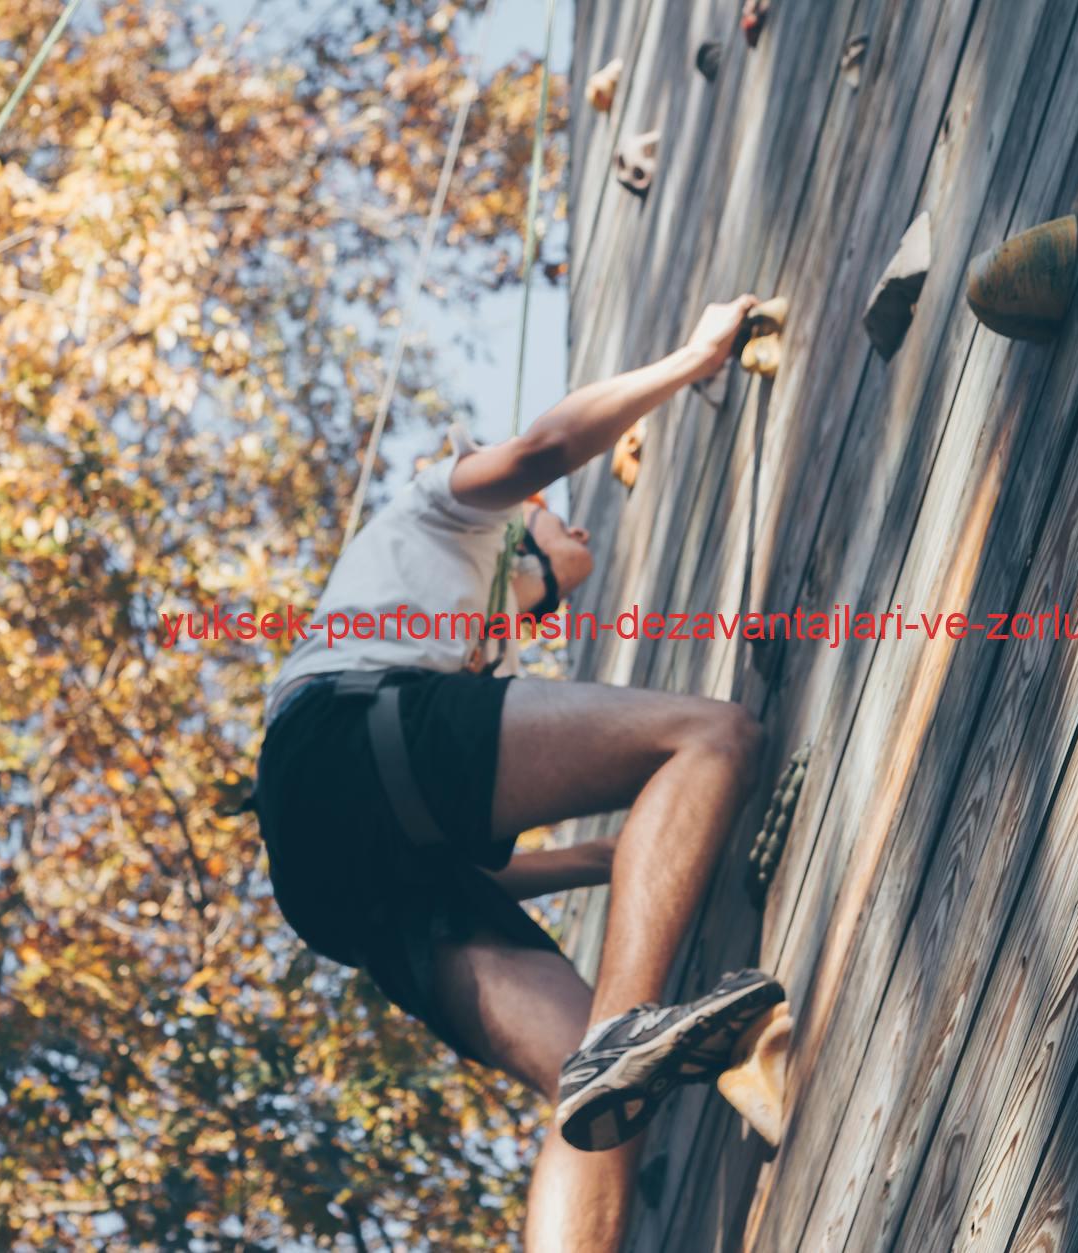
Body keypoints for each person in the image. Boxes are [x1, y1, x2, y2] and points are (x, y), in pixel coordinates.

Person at [253, 293, 787, 1251]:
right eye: (558, 520)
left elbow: (471, 868)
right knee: (714, 737)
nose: (582, 534)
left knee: (598, 1098)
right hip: (346, 737)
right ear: (519, 526)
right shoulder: (443, 510)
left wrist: (614, 858)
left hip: (352, 884)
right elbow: (547, 447)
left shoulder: (454, 659)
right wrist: (693, 359)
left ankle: (615, 1054)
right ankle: (626, 1034)